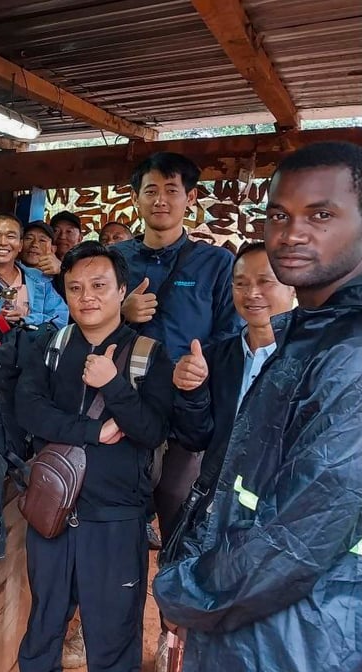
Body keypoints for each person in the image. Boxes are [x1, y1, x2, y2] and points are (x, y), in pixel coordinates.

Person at [153, 141, 362, 672]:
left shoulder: (350, 354)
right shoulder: (303, 335)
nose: (292, 233)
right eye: (278, 215)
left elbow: (299, 535)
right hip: (251, 623)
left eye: (321, 214)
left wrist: (186, 590)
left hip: (303, 638)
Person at [15, 241, 174, 672]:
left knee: (114, 638)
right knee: (43, 627)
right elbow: (29, 408)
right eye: (75, 287)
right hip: (52, 514)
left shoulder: (147, 355)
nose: (87, 296)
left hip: (116, 519)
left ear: (122, 291)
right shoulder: (50, 347)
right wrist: (92, 431)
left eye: (99, 285)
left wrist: (114, 386)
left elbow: (153, 429)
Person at [111, 152, 242, 542]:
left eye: (172, 190)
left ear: (191, 197)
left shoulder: (216, 263)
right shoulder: (114, 259)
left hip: (186, 405)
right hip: (123, 401)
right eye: (151, 190)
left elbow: (229, 335)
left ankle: (173, 588)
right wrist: (121, 312)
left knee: (176, 501)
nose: (161, 200)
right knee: (119, 502)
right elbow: (82, 323)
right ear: (136, 198)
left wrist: (201, 371)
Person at [170, 242, 295, 511]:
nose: (252, 293)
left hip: (285, 511)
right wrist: (191, 391)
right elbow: (196, 439)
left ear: (293, 286)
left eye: (265, 282)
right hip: (220, 505)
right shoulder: (216, 358)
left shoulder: (314, 359)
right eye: (240, 283)